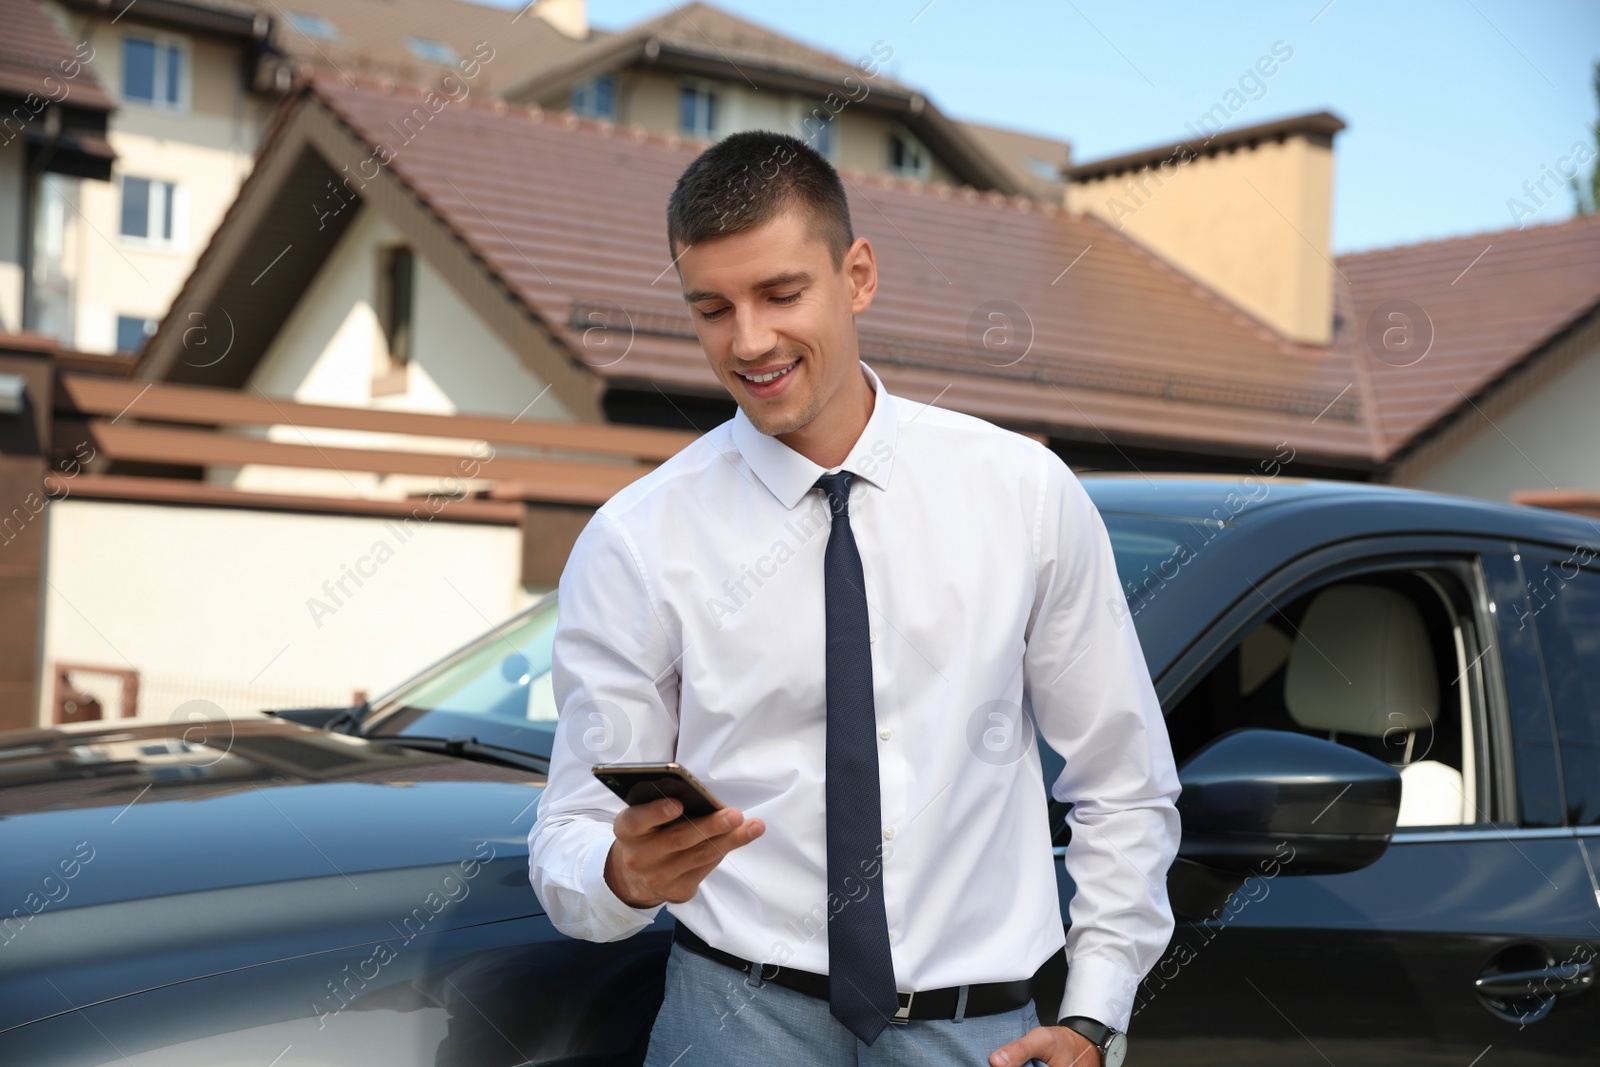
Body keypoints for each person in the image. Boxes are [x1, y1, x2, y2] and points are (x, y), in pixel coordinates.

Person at [528, 129, 1181, 1067]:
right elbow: (570, 831)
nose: (749, 340)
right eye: (712, 307)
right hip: (732, 1023)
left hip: (987, 1034)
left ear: (859, 274)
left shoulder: (1024, 493)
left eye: (782, 294)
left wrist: (1094, 1015)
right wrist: (619, 874)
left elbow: (1123, 780)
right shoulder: (636, 541)